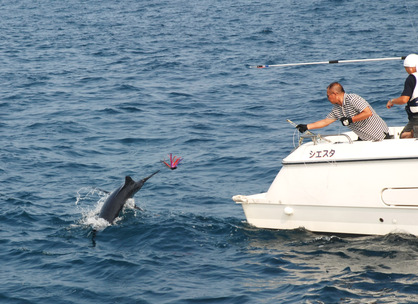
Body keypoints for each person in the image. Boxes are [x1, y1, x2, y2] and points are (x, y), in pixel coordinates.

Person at [296, 82, 390, 141]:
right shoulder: (337, 108)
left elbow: (368, 113)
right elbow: (326, 121)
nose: (327, 98)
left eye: (328, 95)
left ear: (335, 94)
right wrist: (307, 126)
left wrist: (350, 120)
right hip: (365, 138)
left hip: (380, 137)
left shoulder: (353, 99)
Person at [386, 53, 418, 138]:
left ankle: (415, 133)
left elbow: (404, 100)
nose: (406, 71)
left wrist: (392, 101)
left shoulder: (412, 78)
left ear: (411, 67)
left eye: (406, 68)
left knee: (403, 136)